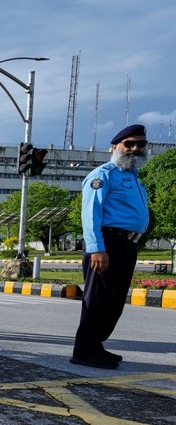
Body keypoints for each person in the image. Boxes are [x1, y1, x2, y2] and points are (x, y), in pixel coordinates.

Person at [71, 124, 150, 369]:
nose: (135, 149)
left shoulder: (133, 178)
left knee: (114, 300)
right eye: (129, 144)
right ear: (115, 147)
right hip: (107, 243)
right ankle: (84, 350)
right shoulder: (102, 175)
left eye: (140, 144)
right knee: (97, 299)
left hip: (126, 245)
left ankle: (95, 345)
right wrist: (96, 248)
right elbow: (91, 214)